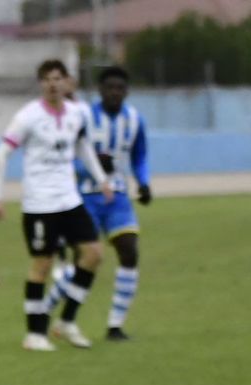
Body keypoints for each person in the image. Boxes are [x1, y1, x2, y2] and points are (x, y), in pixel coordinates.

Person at [0, 59, 112, 352]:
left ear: (66, 81)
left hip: (70, 198)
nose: (53, 84)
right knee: (42, 265)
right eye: (47, 79)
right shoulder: (28, 117)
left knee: (94, 253)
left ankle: (67, 321)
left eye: (58, 78)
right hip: (39, 203)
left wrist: (101, 179)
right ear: (41, 84)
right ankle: (34, 334)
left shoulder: (76, 113)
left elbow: (82, 147)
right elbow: (1, 154)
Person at [55, 66, 150, 342]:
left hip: (118, 197)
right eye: (109, 87)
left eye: (120, 88)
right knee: (86, 261)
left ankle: (115, 325)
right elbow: (66, 156)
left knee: (130, 251)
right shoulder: (82, 116)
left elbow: (140, 155)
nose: (114, 93)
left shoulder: (134, 120)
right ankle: (49, 310)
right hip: (83, 197)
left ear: (127, 91)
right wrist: (92, 167)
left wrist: (143, 183)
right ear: (100, 90)